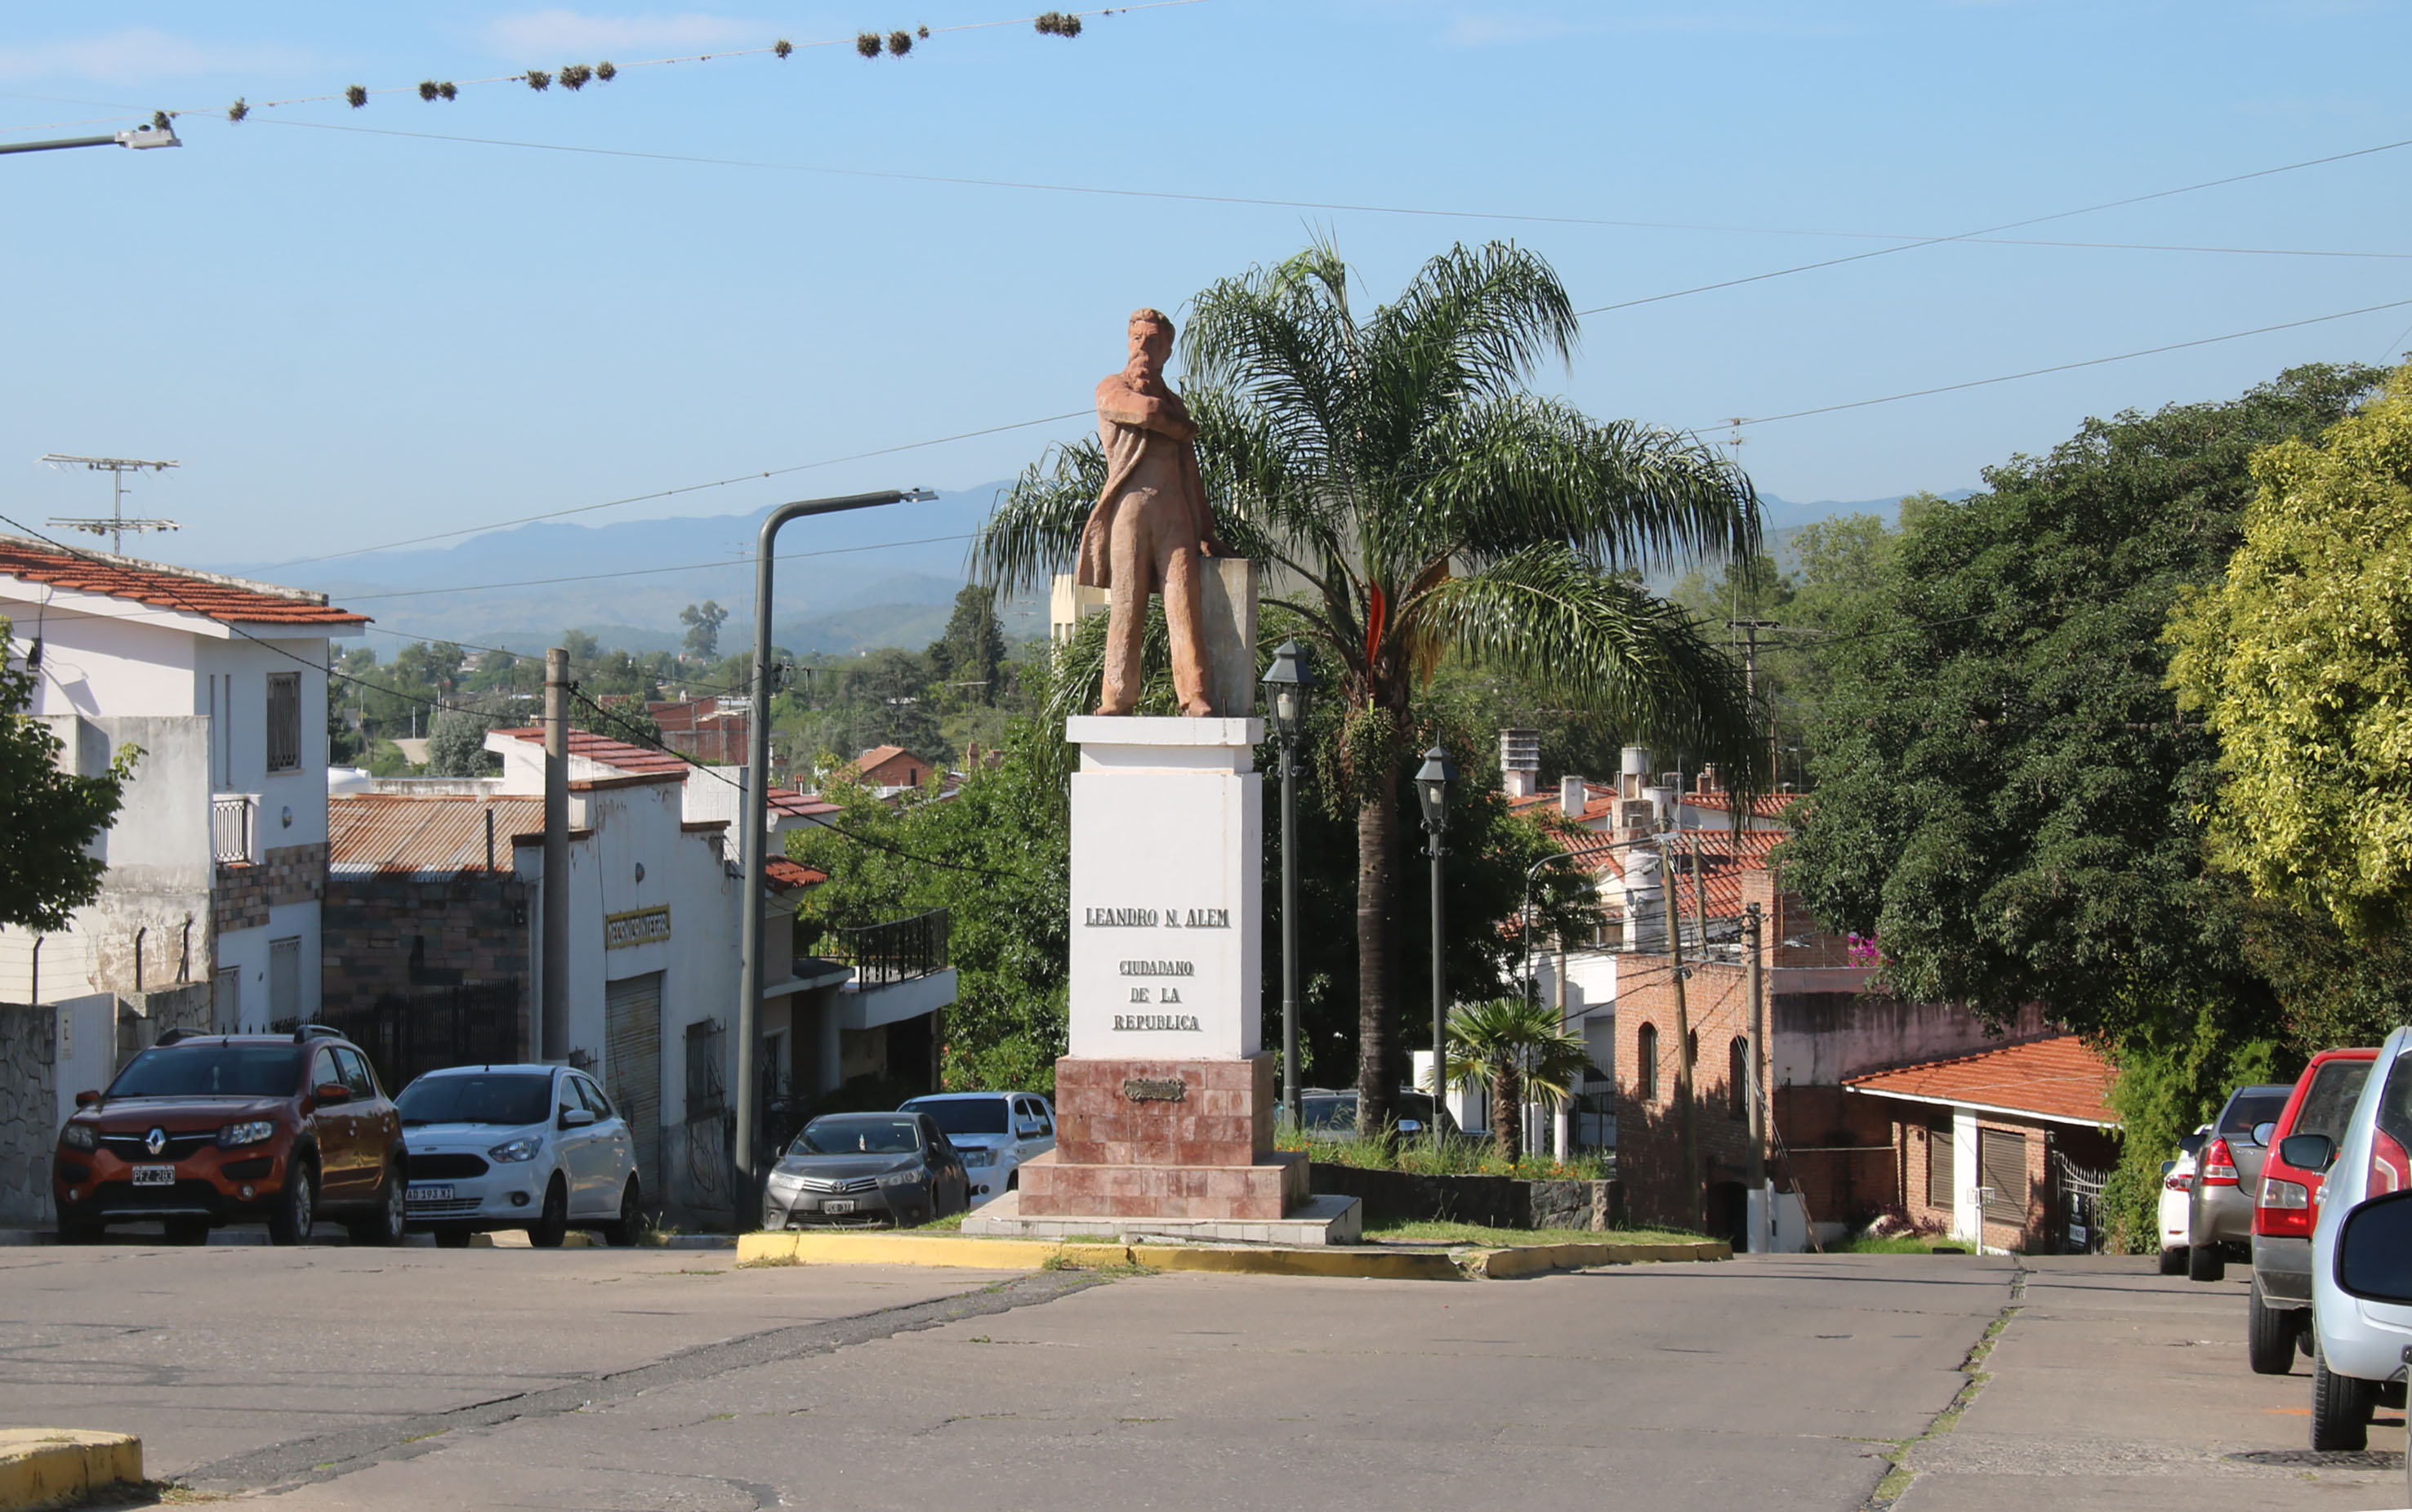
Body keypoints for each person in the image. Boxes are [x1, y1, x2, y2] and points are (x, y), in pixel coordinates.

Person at [1074, 307, 1227, 716]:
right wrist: (1182, 426)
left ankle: (1194, 694)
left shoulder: (1175, 402)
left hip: (1175, 513)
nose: (1143, 347)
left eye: (1153, 341)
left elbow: (1191, 472)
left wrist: (1206, 531)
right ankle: (1117, 696)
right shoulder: (1112, 387)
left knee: (1184, 603)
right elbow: (1145, 413)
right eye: (1137, 338)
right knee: (1128, 603)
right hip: (1131, 511)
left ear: (1166, 352)